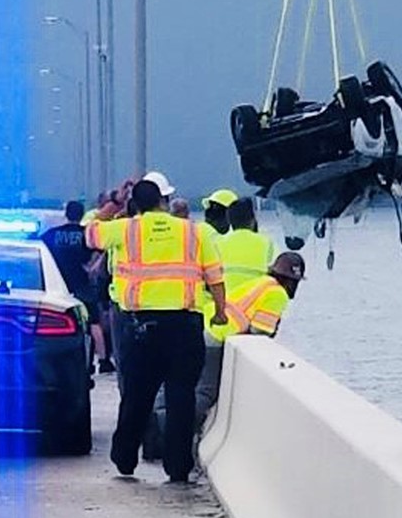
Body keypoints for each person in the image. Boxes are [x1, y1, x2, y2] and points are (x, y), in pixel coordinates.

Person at [86, 180, 228, 483]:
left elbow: (89, 229)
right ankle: (178, 468)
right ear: (166, 200)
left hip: (140, 329)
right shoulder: (194, 231)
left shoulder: (126, 229)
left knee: (137, 396)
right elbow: (214, 275)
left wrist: (113, 202)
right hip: (184, 327)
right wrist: (219, 310)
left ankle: (125, 458)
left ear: (134, 203)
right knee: (181, 398)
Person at [143, 251, 306, 461]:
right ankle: (162, 424)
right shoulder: (277, 294)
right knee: (205, 393)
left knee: (176, 383)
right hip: (216, 338)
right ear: (291, 281)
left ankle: (152, 422)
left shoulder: (261, 283)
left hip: (201, 328)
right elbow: (260, 332)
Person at [41, 201, 112, 373]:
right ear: (81, 214)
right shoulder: (86, 234)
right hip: (83, 284)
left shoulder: (51, 234)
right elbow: (103, 249)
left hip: (56, 284)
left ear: (66, 213)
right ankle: (103, 361)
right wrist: (93, 265)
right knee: (94, 322)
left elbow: (39, 249)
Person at [217, 197, 277, 292]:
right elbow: (271, 271)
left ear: (230, 221)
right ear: (252, 220)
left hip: (229, 299)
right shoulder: (266, 242)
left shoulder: (219, 242)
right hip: (256, 298)